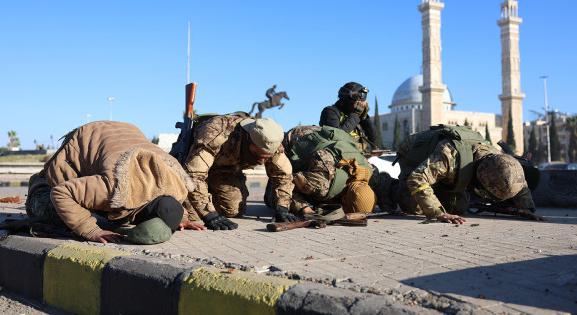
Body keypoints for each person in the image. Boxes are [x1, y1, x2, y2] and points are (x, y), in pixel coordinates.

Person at [25, 121, 205, 244]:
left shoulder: (177, 180)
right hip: (77, 148)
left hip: (119, 136)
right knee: (54, 212)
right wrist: (90, 231)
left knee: (105, 214)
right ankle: (39, 182)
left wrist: (180, 218)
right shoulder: (115, 186)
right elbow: (62, 193)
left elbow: (170, 200)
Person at [394, 124, 538, 224]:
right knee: (414, 208)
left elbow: (519, 182)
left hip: (444, 165)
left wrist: (526, 208)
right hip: (413, 152)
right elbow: (417, 178)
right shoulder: (449, 156)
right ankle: (386, 185)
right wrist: (438, 213)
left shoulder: (499, 159)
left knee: (458, 208)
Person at [183, 114, 295, 229]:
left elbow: (284, 174)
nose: (262, 162)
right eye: (258, 155)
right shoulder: (217, 133)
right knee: (192, 215)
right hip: (189, 169)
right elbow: (193, 175)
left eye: (266, 158)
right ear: (248, 139)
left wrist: (282, 207)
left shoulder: (271, 141)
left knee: (233, 210)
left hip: (224, 171)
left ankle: (208, 192)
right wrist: (209, 214)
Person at [265, 125, 376, 215]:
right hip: (295, 140)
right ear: (345, 201)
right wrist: (303, 208)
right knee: (273, 197)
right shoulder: (321, 184)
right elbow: (287, 181)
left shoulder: (367, 170)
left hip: (323, 137)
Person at [319, 82, 377, 152]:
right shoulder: (330, 112)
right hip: (339, 155)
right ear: (347, 99)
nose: (361, 104)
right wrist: (356, 115)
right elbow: (336, 137)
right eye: (358, 102)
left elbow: (373, 139)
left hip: (358, 155)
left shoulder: (354, 114)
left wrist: (364, 117)